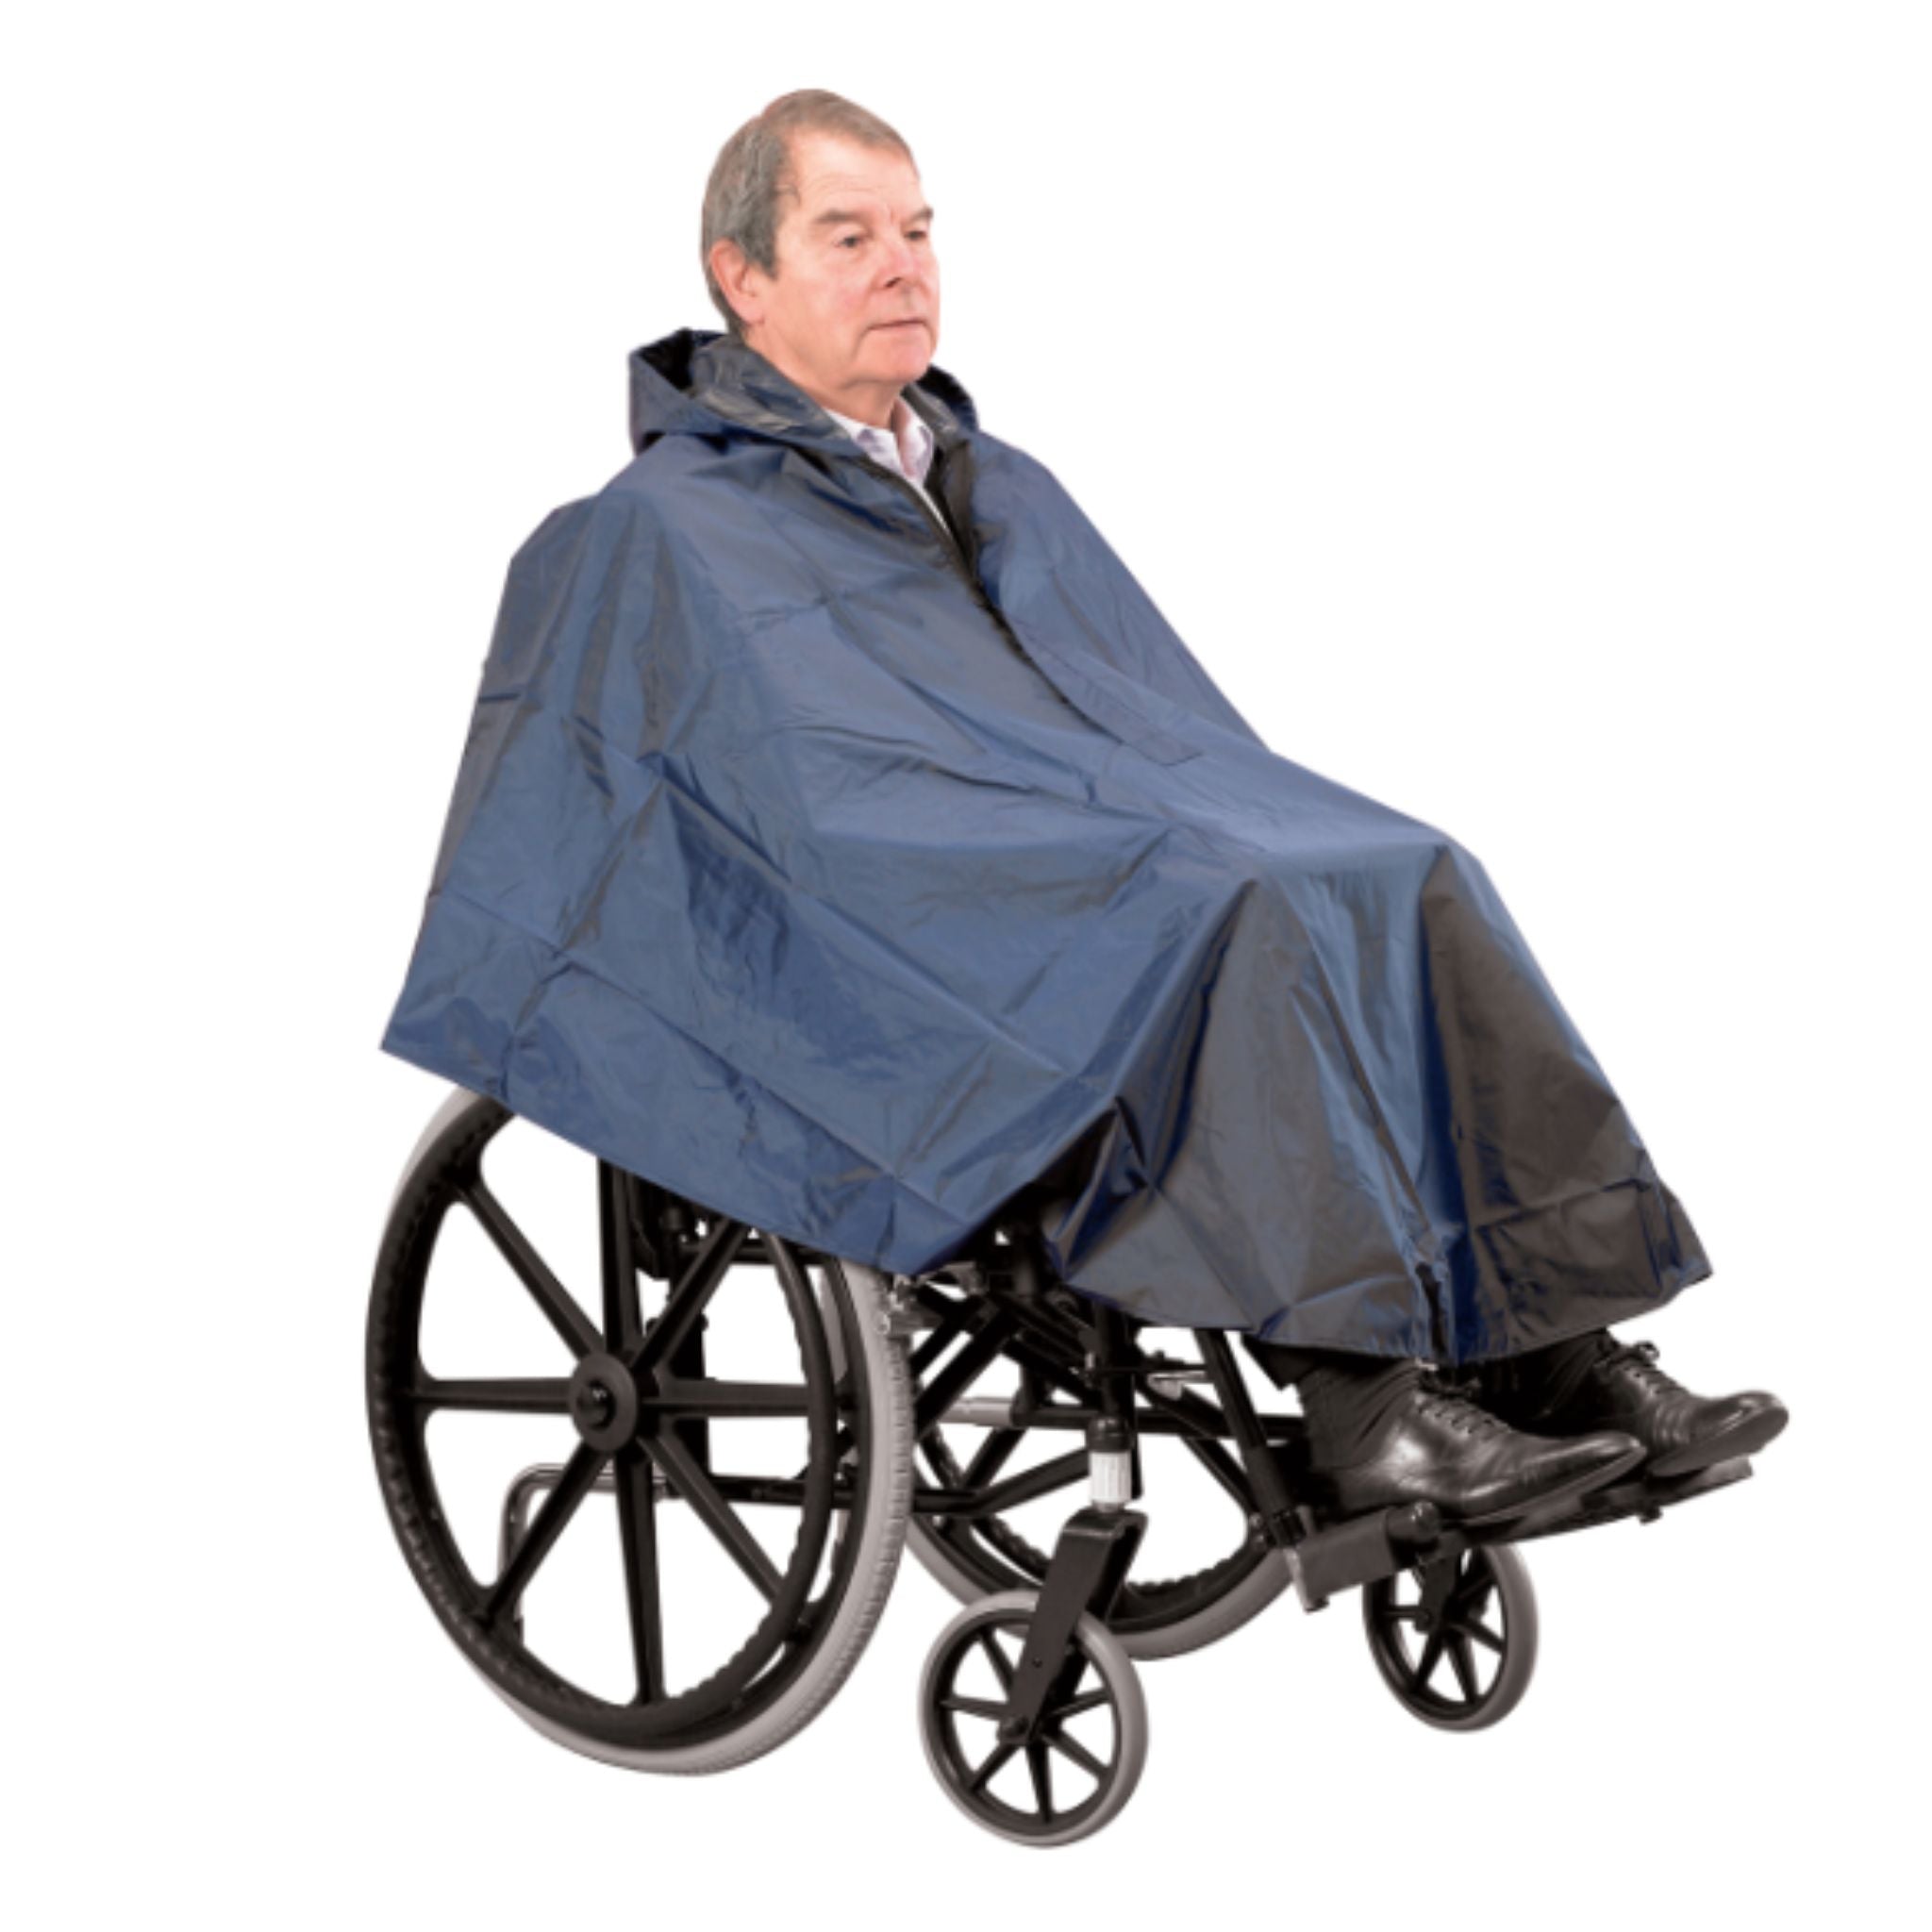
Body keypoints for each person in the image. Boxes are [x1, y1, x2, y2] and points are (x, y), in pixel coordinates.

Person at [386, 91, 1787, 1530]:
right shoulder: (658, 526)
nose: (903, 267)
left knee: (1407, 870)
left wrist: (1162, 819)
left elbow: (1145, 711)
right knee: (1232, 907)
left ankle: (1554, 1347)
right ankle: (1361, 1406)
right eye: (850, 237)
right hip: (893, 927)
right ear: (741, 277)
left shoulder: (992, 482)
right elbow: (673, 814)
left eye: (919, 232)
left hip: (1068, 836)